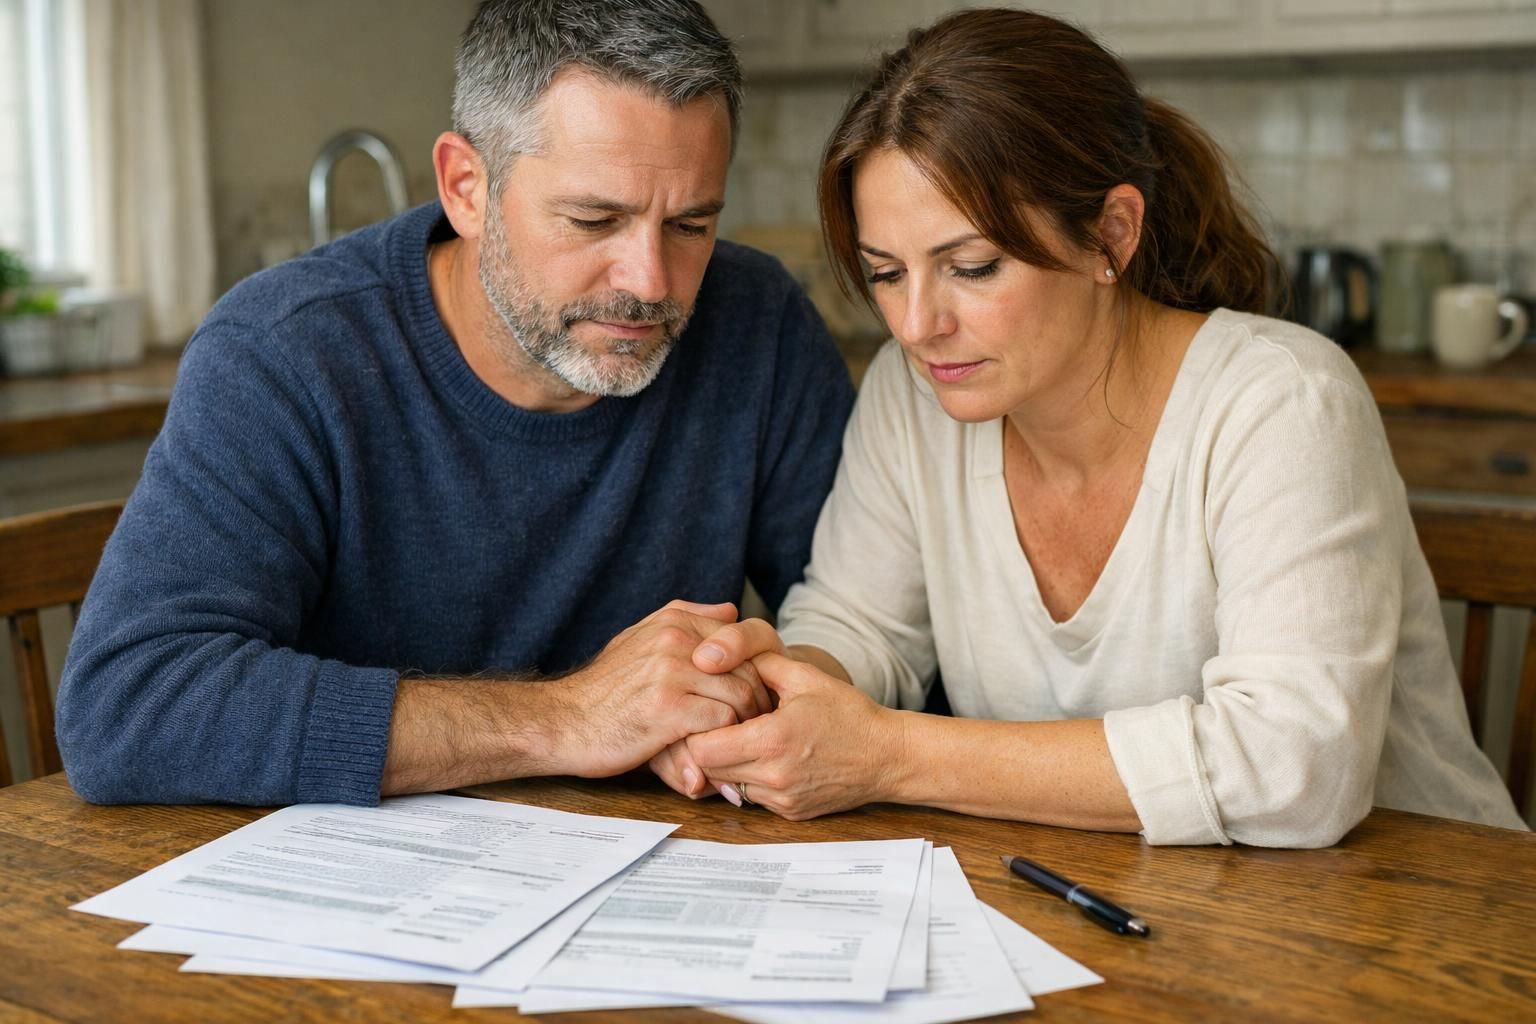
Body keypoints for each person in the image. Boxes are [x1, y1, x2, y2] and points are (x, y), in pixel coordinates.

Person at [677, 8, 1526, 846]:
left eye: (972, 267)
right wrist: (779, 694)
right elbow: (859, 624)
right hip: (1144, 913)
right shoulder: (917, 396)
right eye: (887, 274)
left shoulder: (1282, 400)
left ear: (1110, 236)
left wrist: (891, 754)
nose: (916, 325)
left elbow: (1295, 768)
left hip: (1422, 924)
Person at [54, 0, 853, 807]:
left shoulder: (757, 322)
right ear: (466, 188)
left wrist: (737, 696)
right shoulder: (285, 353)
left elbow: (864, 623)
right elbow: (129, 706)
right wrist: (569, 719)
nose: (650, 281)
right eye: (593, 219)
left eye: (690, 224)